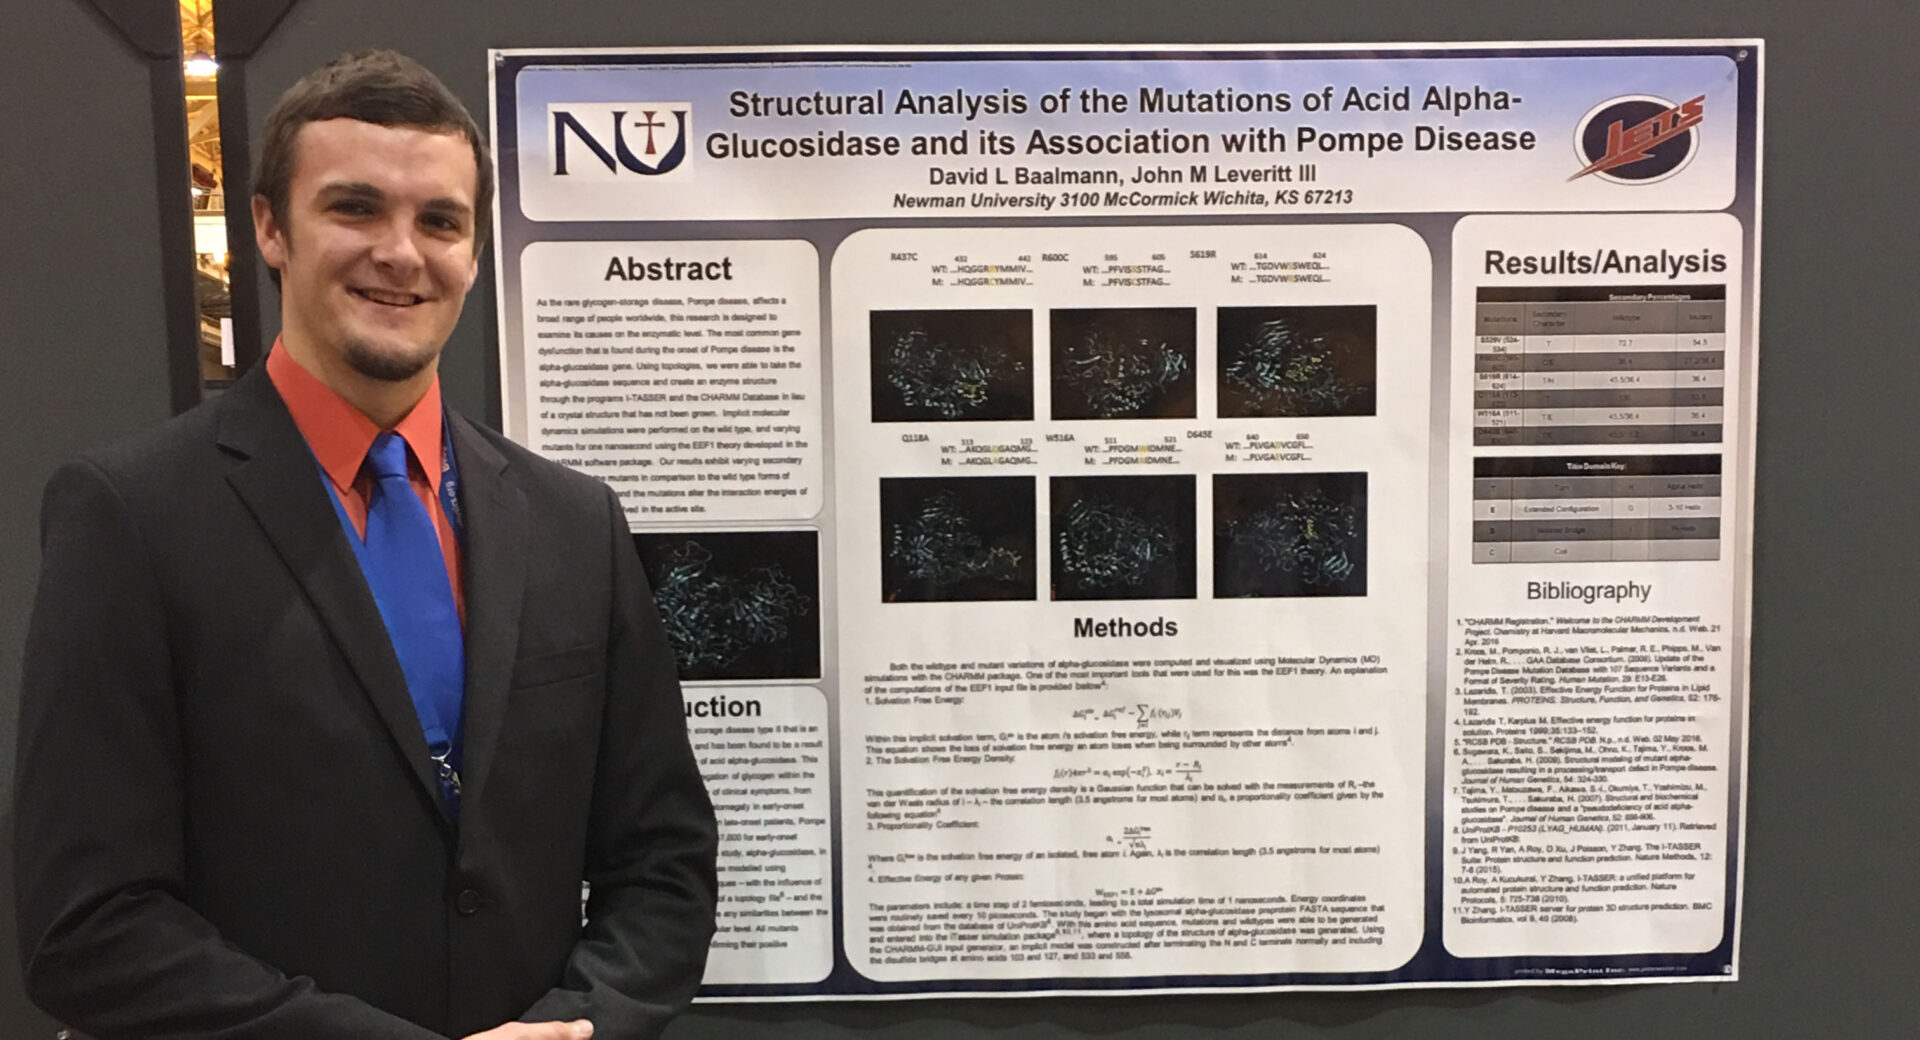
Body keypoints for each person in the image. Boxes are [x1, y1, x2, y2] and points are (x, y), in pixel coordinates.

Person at [13, 49, 717, 1040]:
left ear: (475, 251)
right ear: (271, 227)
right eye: (355, 208)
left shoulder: (573, 523)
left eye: (441, 221)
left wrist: (581, 1023)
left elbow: (664, 861)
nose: (401, 252)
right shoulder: (131, 515)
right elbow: (88, 924)